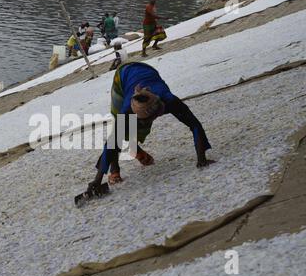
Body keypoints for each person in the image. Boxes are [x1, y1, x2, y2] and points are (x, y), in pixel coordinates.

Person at [87, 62, 214, 191]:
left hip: (148, 71)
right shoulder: (127, 108)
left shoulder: (169, 100)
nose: (144, 124)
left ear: (158, 111)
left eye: (146, 121)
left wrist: (201, 159)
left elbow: (194, 124)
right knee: (121, 130)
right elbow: (113, 142)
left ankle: (134, 148)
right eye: (141, 121)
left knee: (136, 129)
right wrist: (97, 180)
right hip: (122, 76)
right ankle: (115, 168)